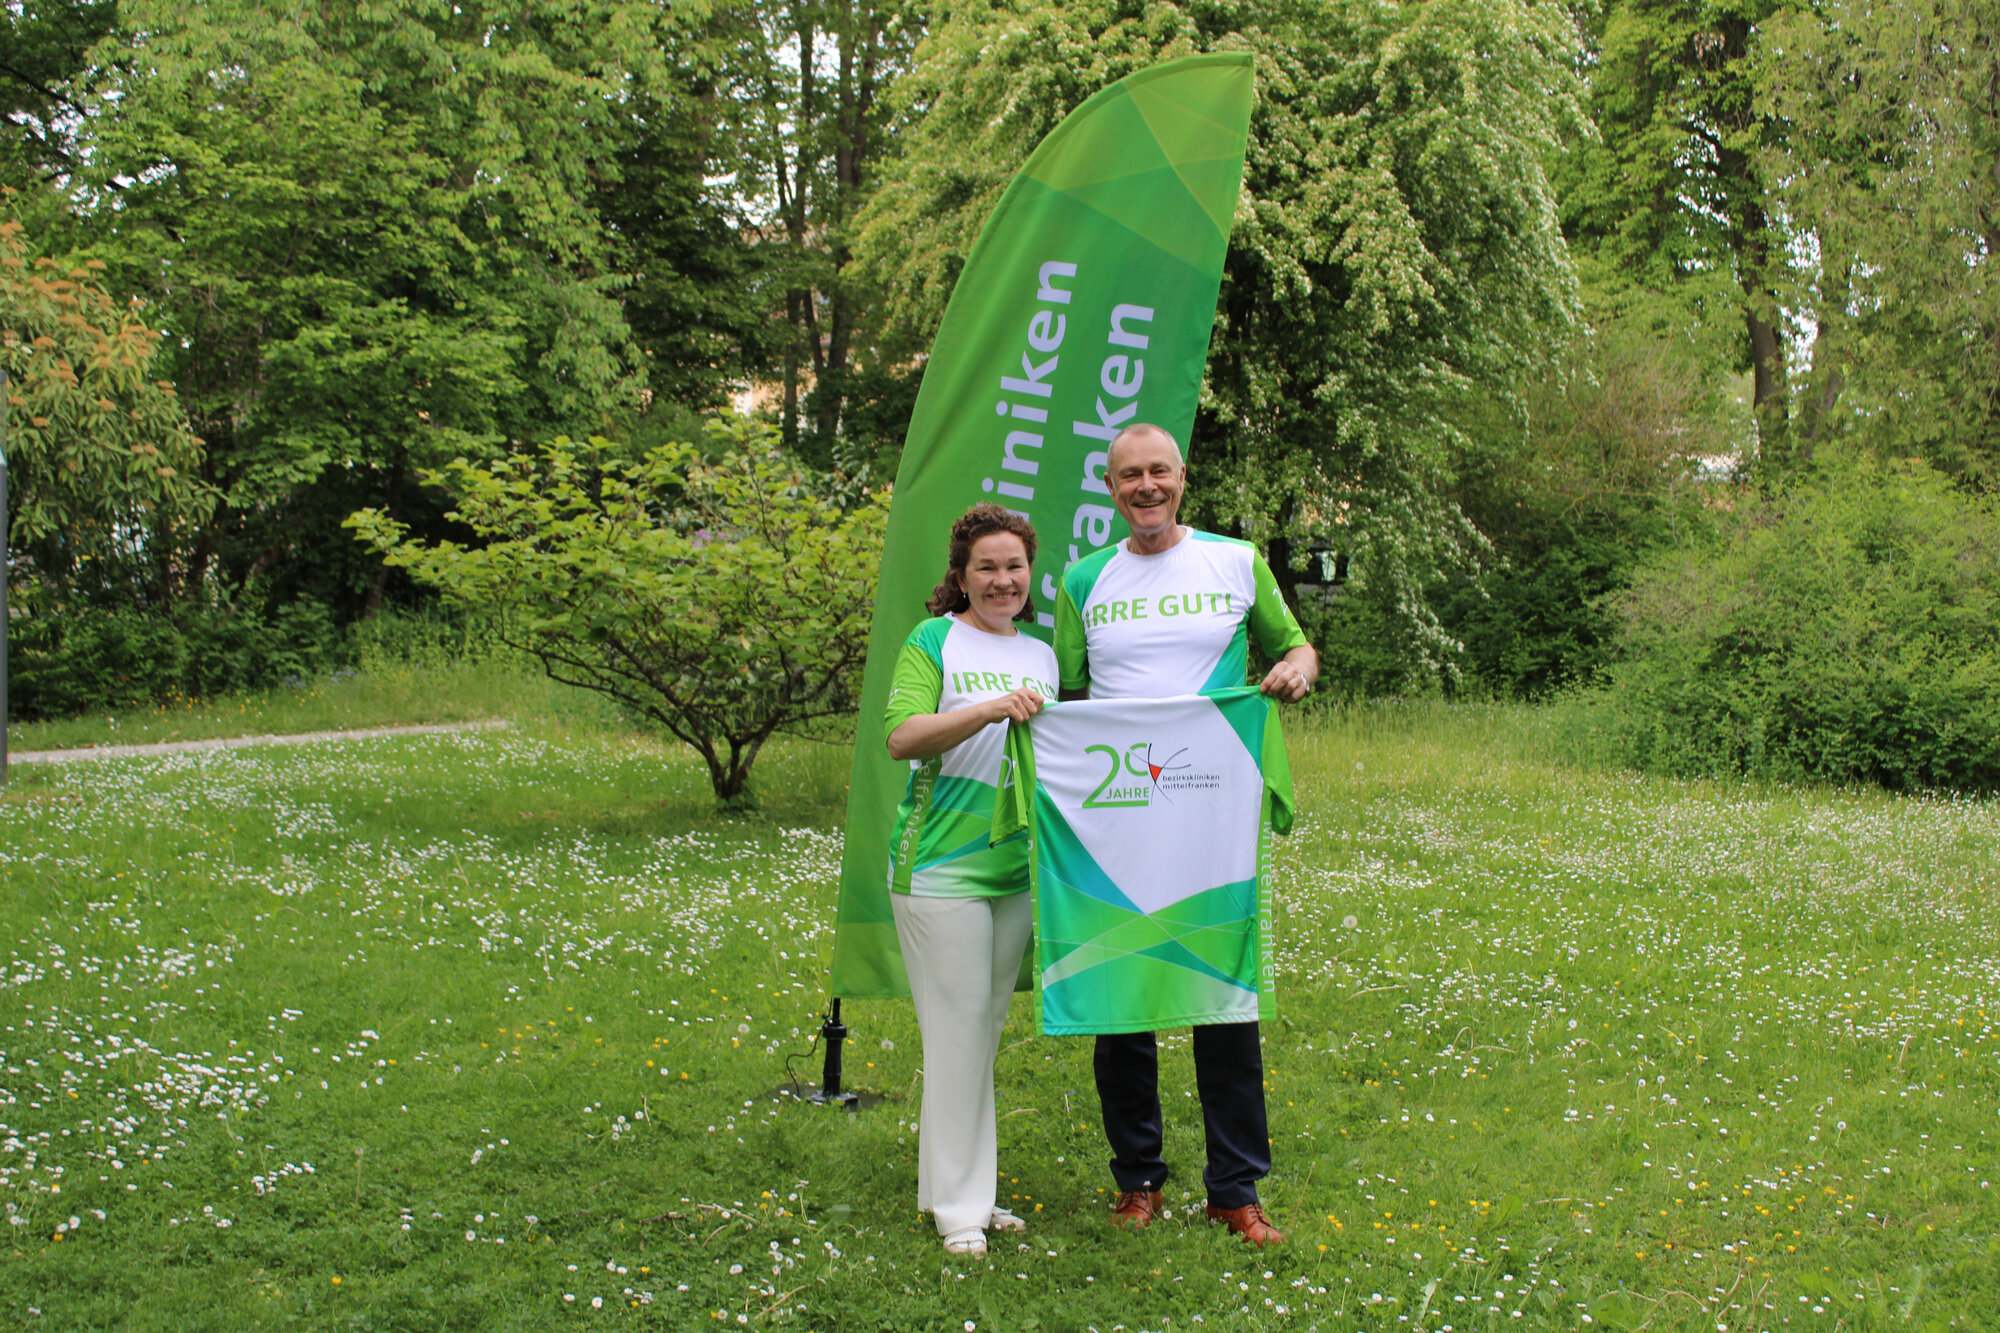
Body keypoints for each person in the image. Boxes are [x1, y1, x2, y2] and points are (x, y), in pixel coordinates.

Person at [1051, 423, 1318, 1248]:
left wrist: (1299, 667)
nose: (1145, 487)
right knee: (1120, 1000)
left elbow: (1296, 646)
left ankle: (1234, 1189)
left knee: (1223, 997)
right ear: (1109, 486)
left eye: (1157, 471)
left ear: (1181, 476)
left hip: (1211, 811)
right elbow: (1065, 694)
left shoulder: (1237, 561)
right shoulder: (1084, 578)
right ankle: (1137, 1181)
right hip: (1118, 816)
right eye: (1129, 475)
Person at [883, 503, 1060, 1257]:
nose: (1002, 579)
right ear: (960, 575)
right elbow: (903, 736)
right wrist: (988, 710)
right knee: (956, 1032)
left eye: (1014, 565)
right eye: (985, 566)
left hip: (1014, 869)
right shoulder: (935, 640)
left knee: (979, 1033)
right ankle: (963, 1209)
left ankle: (956, 1190)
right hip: (939, 867)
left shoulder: (1045, 655)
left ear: (1029, 571)